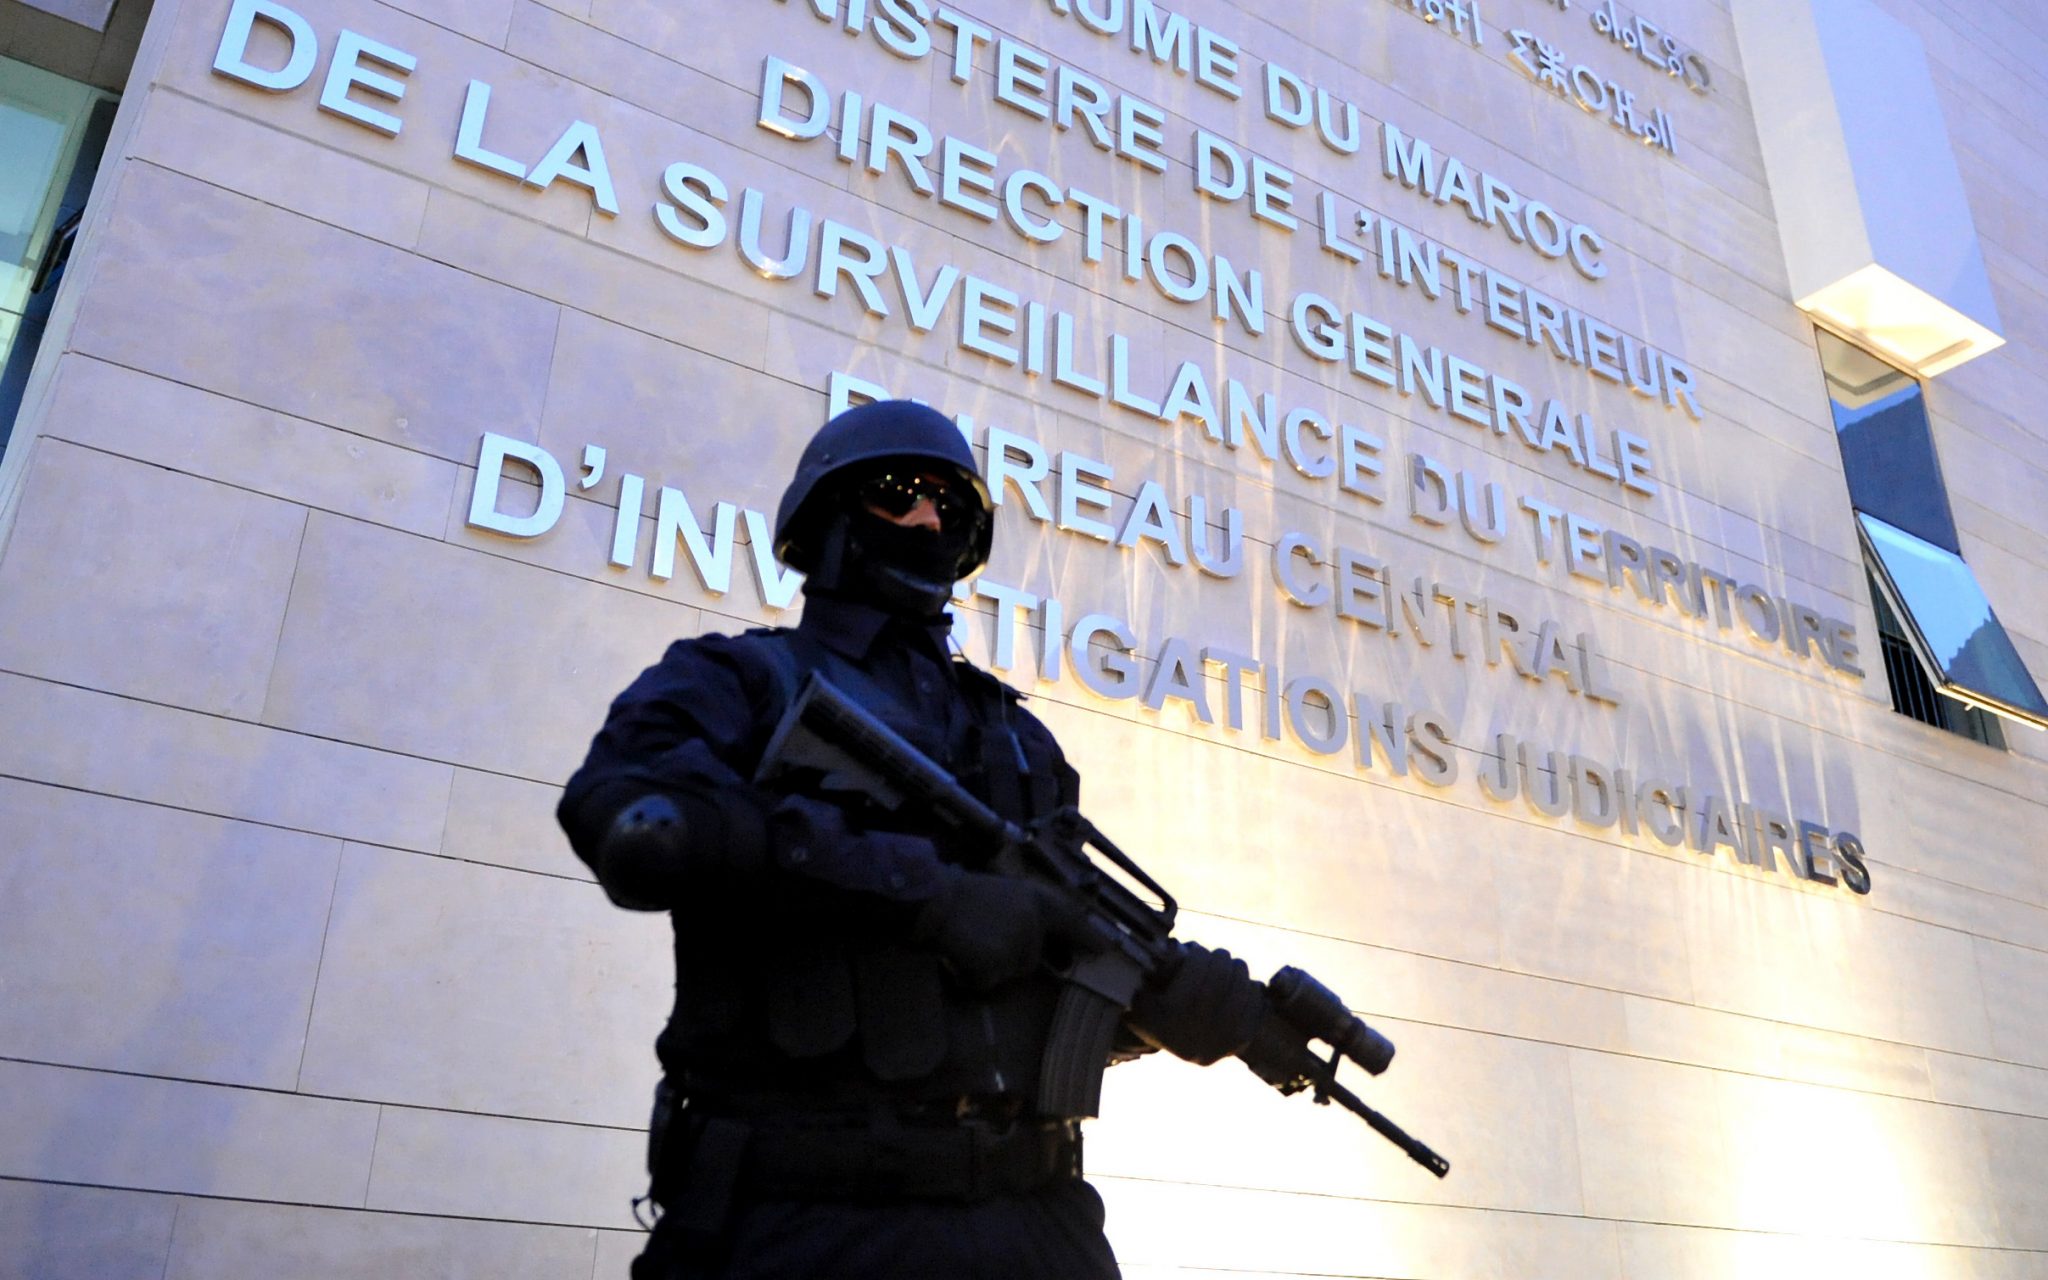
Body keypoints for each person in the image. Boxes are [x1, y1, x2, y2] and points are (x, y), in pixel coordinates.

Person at [558, 399, 1263, 1279]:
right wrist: (922, 895)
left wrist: (1157, 1007)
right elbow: (632, 823)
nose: (930, 519)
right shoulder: (736, 680)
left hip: (1039, 1220)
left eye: (950, 505)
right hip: (809, 1221)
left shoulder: (1018, 739)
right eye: (899, 493)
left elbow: (1035, 979)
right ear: (827, 518)